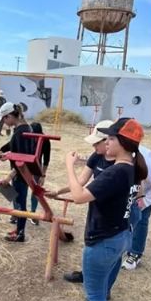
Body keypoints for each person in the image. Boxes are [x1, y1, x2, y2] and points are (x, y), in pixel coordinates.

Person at [65, 117, 147, 301]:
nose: (106, 143)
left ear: (121, 142)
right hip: (120, 235)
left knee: (95, 294)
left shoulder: (116, 173)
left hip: (103, 241)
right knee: (99, 288)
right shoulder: (132, 167)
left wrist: (69, 165)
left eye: (110, 138)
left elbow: (79, 196)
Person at [46, 120, 115, 283]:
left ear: (109, 141)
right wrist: (58, 191)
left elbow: (79, 197)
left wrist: (70, 165)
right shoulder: (97, 157)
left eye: (96, 143)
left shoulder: (119, 165)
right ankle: (86, 274)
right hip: (96, 209)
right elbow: (81, 180)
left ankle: (103, 286)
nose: (94, 148)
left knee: (107, 250)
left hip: (112, 213)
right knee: (90, 244)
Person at [0, 102, 41, 242]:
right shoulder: (22, 129)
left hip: (21, 173)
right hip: (21, 173)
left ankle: (20, 234)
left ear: (9, 116)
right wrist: (3, 151)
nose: (4, 122)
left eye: (4, 119)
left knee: (20, 203)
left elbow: (23, 158)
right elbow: (12, 145)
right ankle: (19, 229)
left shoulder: (21, 132)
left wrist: (9, 176)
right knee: (17, 200)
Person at [121, 145, 151, 270]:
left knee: (141, 219)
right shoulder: (120, 155)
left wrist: (144, 200)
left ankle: (135, 253)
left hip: (149, 191)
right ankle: (125, 246)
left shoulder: (150, 168)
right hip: (133, 188)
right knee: (127, 216)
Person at [28, 122, 51, 225]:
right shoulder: (26, 137)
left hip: (36, 166)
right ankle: (17, 213)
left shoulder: (45, 140)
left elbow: (46, 159)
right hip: (23, 164)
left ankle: (32, 213)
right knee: (20, 189)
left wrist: (43, 175)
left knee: (36, 190)